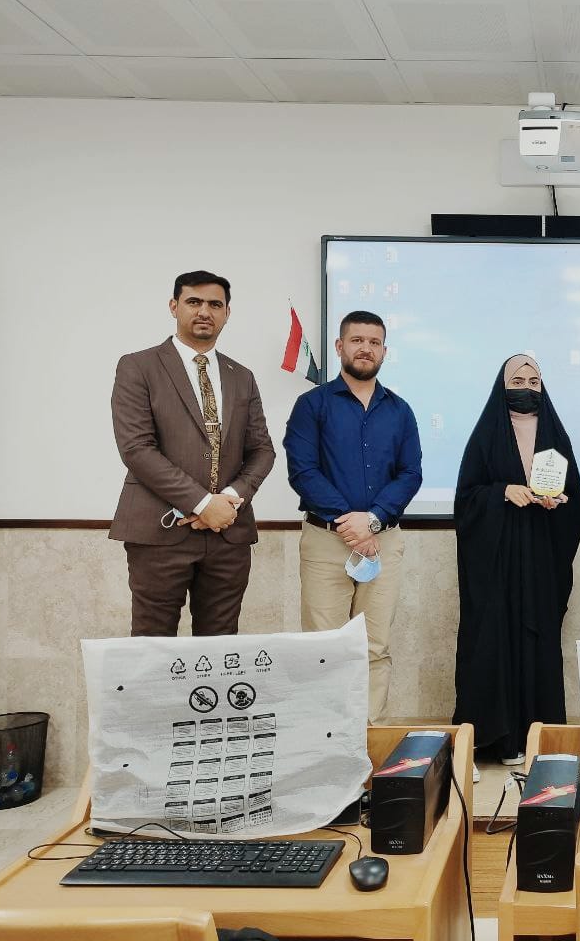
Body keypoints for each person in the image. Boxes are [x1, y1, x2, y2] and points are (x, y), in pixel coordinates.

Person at [110, 270, 275, 637]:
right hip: (159, 531)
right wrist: (202, 503)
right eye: (194, 302)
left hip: (228, 534)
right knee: (153, 645)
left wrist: (228, 500)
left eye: (215, 304)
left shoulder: (241, 375)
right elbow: (136, 448)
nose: (204, 311)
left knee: (219, 647)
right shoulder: (138, 366)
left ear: (227, 313)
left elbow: (262, 450)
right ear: (174, 307)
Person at [283, 310, 421, 726]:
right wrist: (351, 522)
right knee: (324, 648)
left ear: (384, 351)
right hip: (327, 542)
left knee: (374, 646)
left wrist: (373, 520)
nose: (366, 348)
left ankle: (369, 738)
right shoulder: (312, 405)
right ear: (340, 346)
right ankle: (325, 739)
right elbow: (303, 471)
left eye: (374, 342)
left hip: (383, 542)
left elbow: (410, 473)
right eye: (357, 340)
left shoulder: (400, 410)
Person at [452, 355, 580, 768]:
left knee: (538, 643)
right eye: (518, 379)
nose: (526, 387)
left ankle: (535, 738)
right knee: (490, 642)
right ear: (502, 385)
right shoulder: (485, 435)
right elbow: (466, 500)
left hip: (541, 561)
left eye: (534, 380)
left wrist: (557, 502)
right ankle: (492, 740)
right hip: (496, 565)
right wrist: (502, 492)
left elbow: (577, 503)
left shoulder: (556, 436)